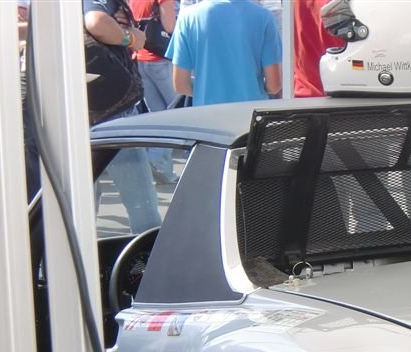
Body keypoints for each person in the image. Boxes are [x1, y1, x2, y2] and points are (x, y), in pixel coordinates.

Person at [84, 0, 163, 234]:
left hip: (84, 109)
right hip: (112, 112)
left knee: (82, 203)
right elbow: (96, 22)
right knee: (141, 202)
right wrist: (130, 38)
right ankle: (147, 255)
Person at [166, 0, 282, 106]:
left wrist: (206, 91)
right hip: (251, 113)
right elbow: (274, 85)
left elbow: (180, 85)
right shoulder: (264, 17)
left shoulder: (187, 17)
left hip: (206, 113)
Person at [129, 0, 178, 183]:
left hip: (141, 58)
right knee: (179, 113)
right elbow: (170, 26)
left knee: (158, 116)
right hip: (161, 57)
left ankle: (163, 169)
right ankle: (156, 158)